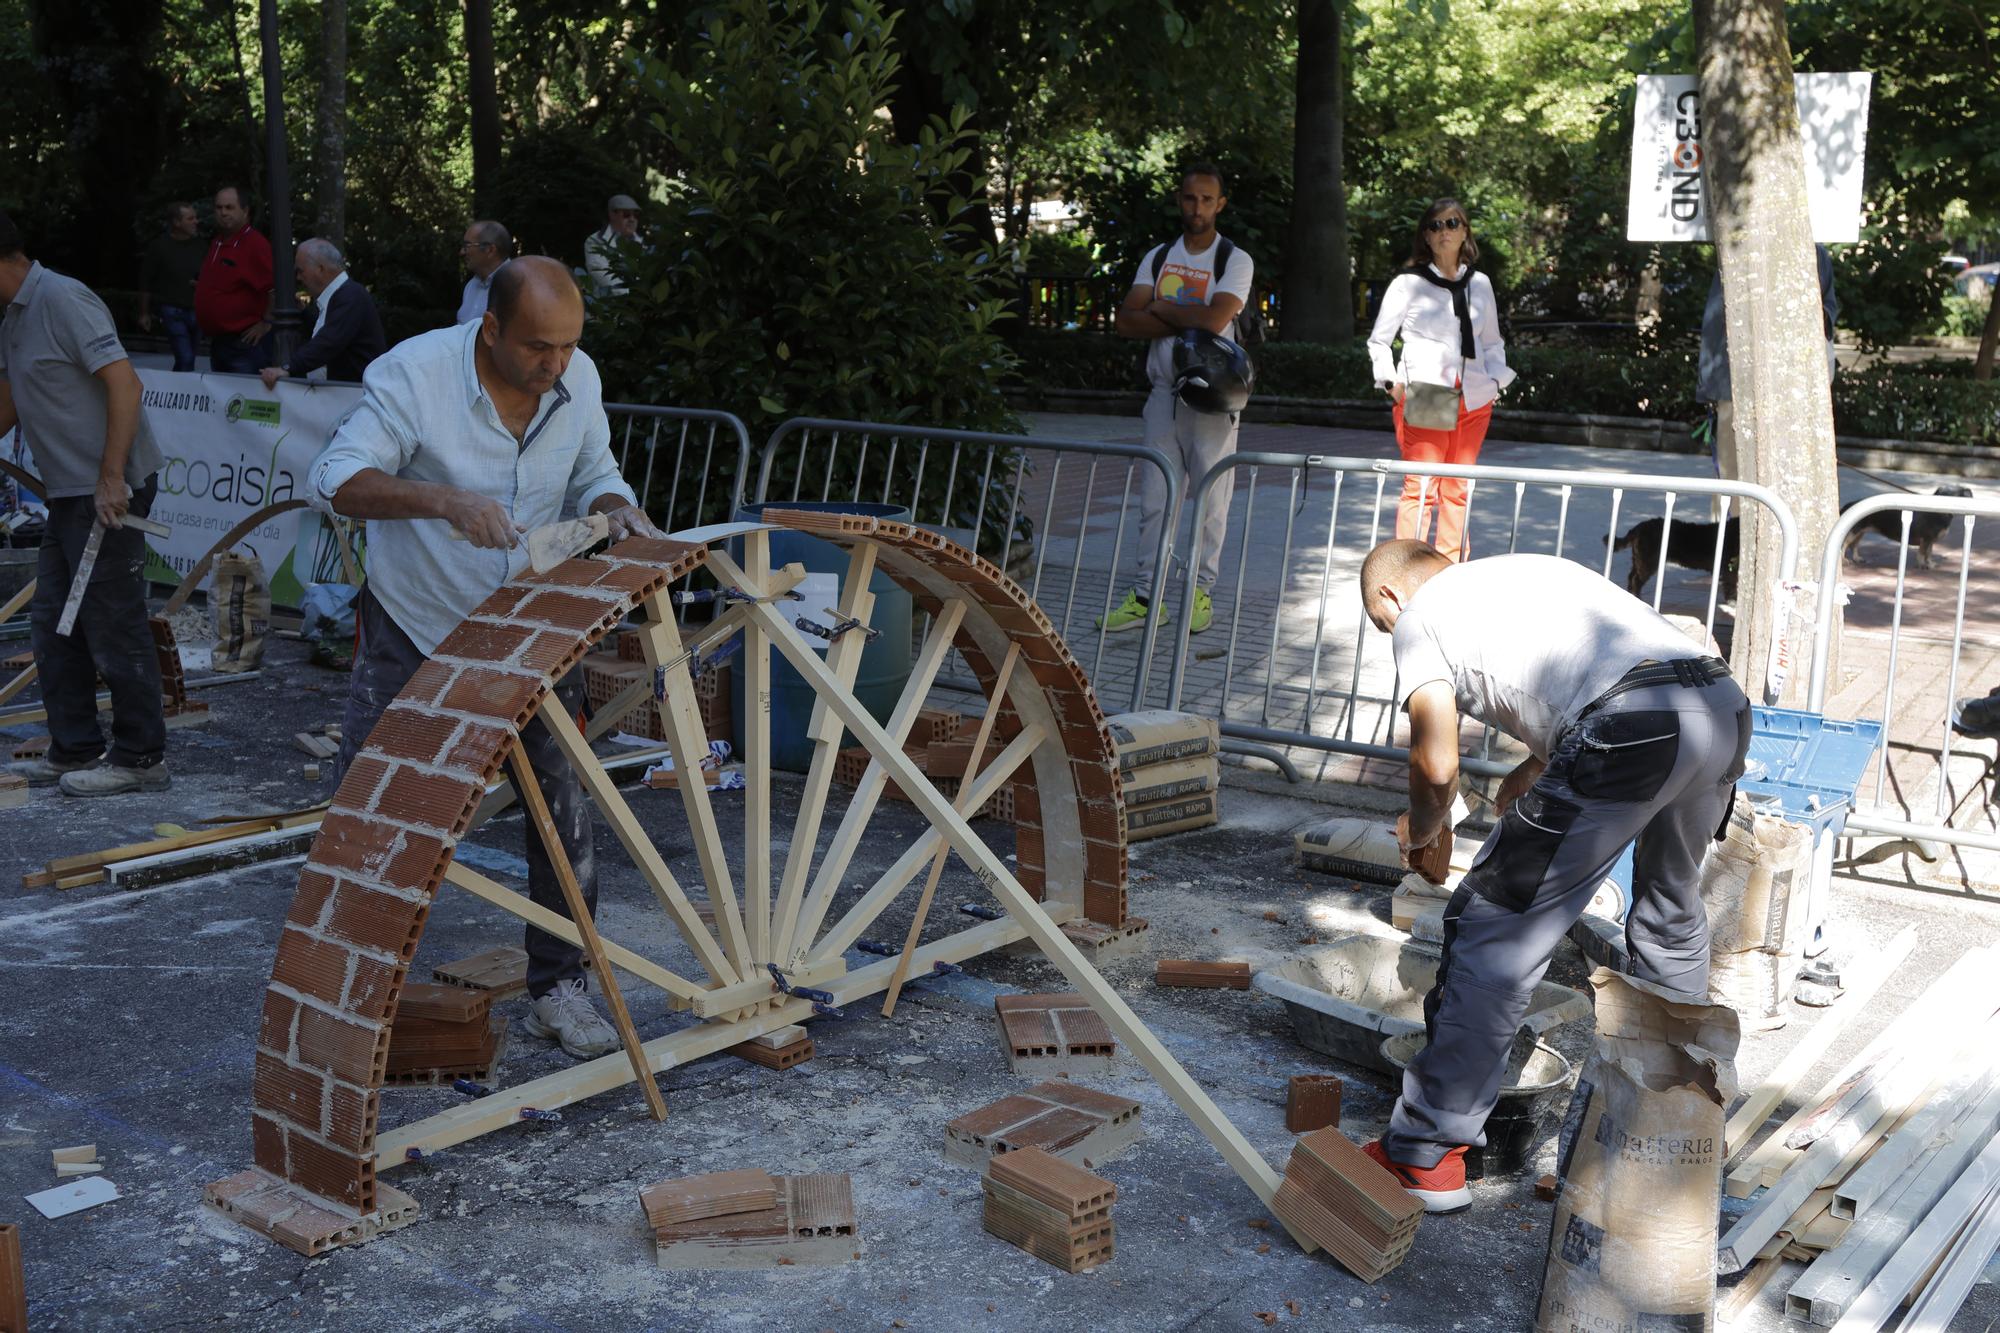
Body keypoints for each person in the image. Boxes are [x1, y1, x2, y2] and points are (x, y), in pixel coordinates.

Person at [306, 256, 663, 1059]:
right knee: (372, 809)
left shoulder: (577, 376)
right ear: (491, 329)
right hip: (417, 623)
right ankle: (348, 990)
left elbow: (594, 471)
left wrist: (616, 507)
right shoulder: (415, 374)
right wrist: (441, 498)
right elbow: (333, 477)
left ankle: (561, 986)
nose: (556, 365)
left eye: (569, 346)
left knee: (562, 809)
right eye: (540, 347)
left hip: (532, 624)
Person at [1356, 539, 1749, 1213]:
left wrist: (1423, 829)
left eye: (1382, 622)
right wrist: (1531, 779)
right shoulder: (1523, 575)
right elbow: (1594, 682)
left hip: (1636, 725)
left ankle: (1425, 1154)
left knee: (1493, 925)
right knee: (1670, 912)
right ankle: (1672, 1133)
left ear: (1391, 597)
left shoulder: (1421, 613)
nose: (1394, 633)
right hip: (1719, 708)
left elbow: (1437, 763)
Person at [0, 212, 171, 797]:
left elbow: (125, 383)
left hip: (107, 490)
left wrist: (111, 477)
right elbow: (10, 396)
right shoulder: (14, 318)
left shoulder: (63, 299)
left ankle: (141, 758)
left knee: (113, 622)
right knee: (53, 622)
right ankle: (75, 747)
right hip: (70, 494)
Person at [1099, 163, 1254, 637]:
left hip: (1212, 400)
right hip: (1164, 393)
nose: (1198, 207)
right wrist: (1189, 315)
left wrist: (1161, 309)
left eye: (1208, 199)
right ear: (1180, 200)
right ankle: (1148, 595)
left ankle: (1199, 593)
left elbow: (1214, 322)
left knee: (1211, 500)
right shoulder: (1160, 254)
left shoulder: (1234, 260)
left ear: (1220, 204)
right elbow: (1126, 322)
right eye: (1191, 198)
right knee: (1154, 499)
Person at [1366, 199, 1515, 563]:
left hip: (1475, 396)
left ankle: (1449, 569)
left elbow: (1492, 341)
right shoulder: (1409, 284)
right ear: (1425, 238)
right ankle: (1409, 568)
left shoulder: (1480, 284)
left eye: (1452, 224)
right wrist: (1392, 384)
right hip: (1428, 395)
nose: (1443, 231)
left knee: (1458, 489)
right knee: (1420, 488)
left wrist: (1495, 383)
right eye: (1435, 226)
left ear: (1465, 232)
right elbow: (1380, 341)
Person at [1699, 243, 1838, 519]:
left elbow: (1828, 312)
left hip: (1795, 387)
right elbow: (1717, 322)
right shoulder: (1739, 247)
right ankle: (1727, 550)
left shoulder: (1814, 253)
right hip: (1737, 385)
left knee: (1791, 477)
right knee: (1733, 472)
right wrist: (1712, 387)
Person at [258, 238, 386, 387]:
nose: (298, 278)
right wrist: (304, 312)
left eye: (300, 271)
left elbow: (329, 341)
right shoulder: (343, 295)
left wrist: (287, 368)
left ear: (320, 269)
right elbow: (331, 330)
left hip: (352, 397)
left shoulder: (350, 296)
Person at [194, 185, 274, 374]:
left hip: (243, 344)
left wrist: (267, 322)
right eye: (219, 208)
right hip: (219, 342)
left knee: (245, 399)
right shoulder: (218, 242)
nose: (223, 213)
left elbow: (273, 288)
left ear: (245, 211)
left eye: (229, 208)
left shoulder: (255, 244)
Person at [138, 202, 204, 372]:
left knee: (188, 358)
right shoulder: (159, 247)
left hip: (196, 310)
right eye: (190, 218)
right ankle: (185, 390)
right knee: (186, 357)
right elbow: (146, 280)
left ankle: (179, 388)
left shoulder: (201, 246)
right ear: (176, 222)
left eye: (195, 217)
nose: (196, 221)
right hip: (171, 309)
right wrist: (144, 313)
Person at [583, 194, 641, 298]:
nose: (632, 219)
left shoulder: (642, 244)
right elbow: (603, 275)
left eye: (635, 215)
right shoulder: (594, 241)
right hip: (606, 309)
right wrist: (634, 296)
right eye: (626, 214)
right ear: (612, 215)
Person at [457, 220, 512, 324]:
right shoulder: (471, 286)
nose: (462, 252)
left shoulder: (518, 284)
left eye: (467, 246)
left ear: (490, 250)